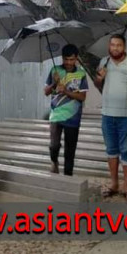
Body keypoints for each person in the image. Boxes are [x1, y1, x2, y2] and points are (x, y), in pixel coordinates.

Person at [93, 34, 127, 202]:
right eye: (112, 45)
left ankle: (126, 186)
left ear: (124, 47)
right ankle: (114, 184)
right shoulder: (104, 62)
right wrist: (100, 78)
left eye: (118, 45)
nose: (115, 48)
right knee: (111, 150)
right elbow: (98, 85)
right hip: (107, 114)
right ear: (109, 46)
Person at [44, 44, 88, 176]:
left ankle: (68, 175)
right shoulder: (54, 70)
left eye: (72, 59)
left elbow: (82, 97)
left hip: (73, 117)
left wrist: (66, 91)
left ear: (76, 59)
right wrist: (54, 83)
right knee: (54, 145)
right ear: (62, 58)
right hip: (56, 115)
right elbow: (46, 92)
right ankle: (54, 162)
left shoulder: (81, 73)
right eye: (66, 59)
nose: (69, 63)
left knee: (70, 149)